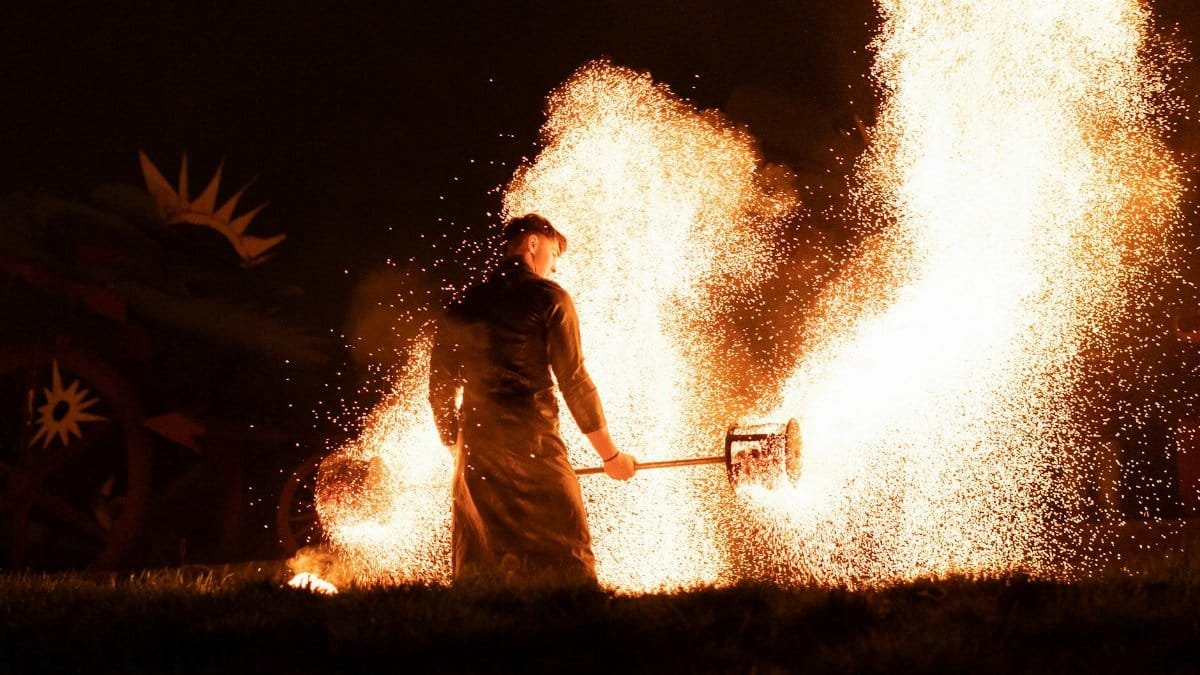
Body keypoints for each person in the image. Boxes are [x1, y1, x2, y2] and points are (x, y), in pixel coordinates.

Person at [428, 213, 637, 588]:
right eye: (554, 253)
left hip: (476, 454)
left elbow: (439, 386)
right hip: (533, 446)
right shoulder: (548, 298)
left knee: (482, 565)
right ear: (534, 244)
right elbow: (574, 381)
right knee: (565, 554)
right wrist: (610, 457)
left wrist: (454, 445)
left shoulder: (464, 302)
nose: (554, 265)